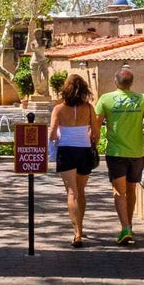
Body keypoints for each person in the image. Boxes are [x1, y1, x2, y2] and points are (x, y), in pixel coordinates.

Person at [94, 67, 144, 245]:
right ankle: (128, 225)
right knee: (131, 190)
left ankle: (126, 227)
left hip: (116, 152)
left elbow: (96, 126)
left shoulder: (106, 99)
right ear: (132, 83)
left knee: (119, 191)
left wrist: (93, 144)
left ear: (116, 82)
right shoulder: (142, 99)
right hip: (137, 153)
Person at [48, 74, 100, 247]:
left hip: (66, 151)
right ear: (83, 89)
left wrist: (56, 140)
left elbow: (52, 133)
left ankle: (76, 233)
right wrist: (94, 145)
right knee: (81, 191)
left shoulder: (58, 109)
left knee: (72, 192)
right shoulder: (89, 108)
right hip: (84, 151)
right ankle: (81, 226)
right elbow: (96, 133)